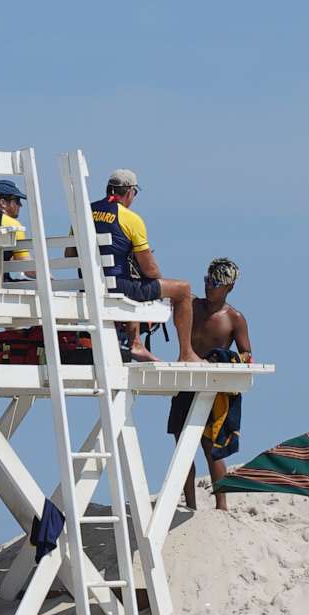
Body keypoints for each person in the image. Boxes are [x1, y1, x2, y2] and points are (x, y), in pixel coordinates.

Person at [166, 258, 254, 512]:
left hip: (213, 388)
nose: (209, 287)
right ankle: (190, 504)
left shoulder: (234, 318)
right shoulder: (191, 305)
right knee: (182, 445)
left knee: (212, 449)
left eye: (215, 283)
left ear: (229, 288)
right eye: (207, 280)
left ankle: (221, 507)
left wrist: (220, 358)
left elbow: (247, 353)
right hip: (186, 382)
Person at [92, 168, 197, 362]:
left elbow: (70, 253)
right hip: (118, 287)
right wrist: (161, 283)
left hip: (90, 286)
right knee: (183, 289)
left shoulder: (86, 212)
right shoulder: (131, 219)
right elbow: (150, 269)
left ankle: (136, 343)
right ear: (130, 191)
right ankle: (186, 354)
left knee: (132, 278)